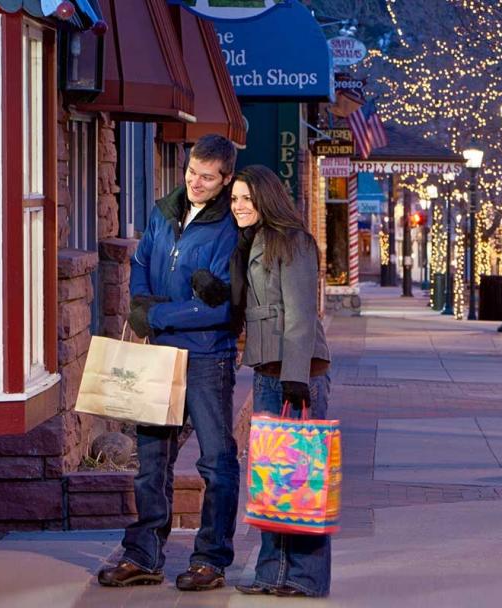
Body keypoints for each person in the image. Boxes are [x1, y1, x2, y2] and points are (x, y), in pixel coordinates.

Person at [97, 134, 241, 592]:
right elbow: (140, 259)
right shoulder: (164, 211)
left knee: (216, 461)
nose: (195, 182)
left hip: (206, 356)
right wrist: (140, 298)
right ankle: (144, 554)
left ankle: (211, 559)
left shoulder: (231, 228)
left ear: (226, 179)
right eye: (192, 172)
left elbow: (224, 307)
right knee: (151, 459)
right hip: (159, 355)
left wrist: (156, 313)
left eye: (207, 177)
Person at [191, 164, 333, 598]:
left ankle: (304, 577)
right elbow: (247, 305)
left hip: (298, 373)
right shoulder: (247, 243)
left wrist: (295, 377)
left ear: (267, 199)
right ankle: (272, 574)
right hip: (269, 372)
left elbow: (300, 313)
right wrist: (217, 292)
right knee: (273, 479)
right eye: (234, 199)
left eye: (247, 199)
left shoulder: (293, 242)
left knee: (301, 476)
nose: (239, 206)